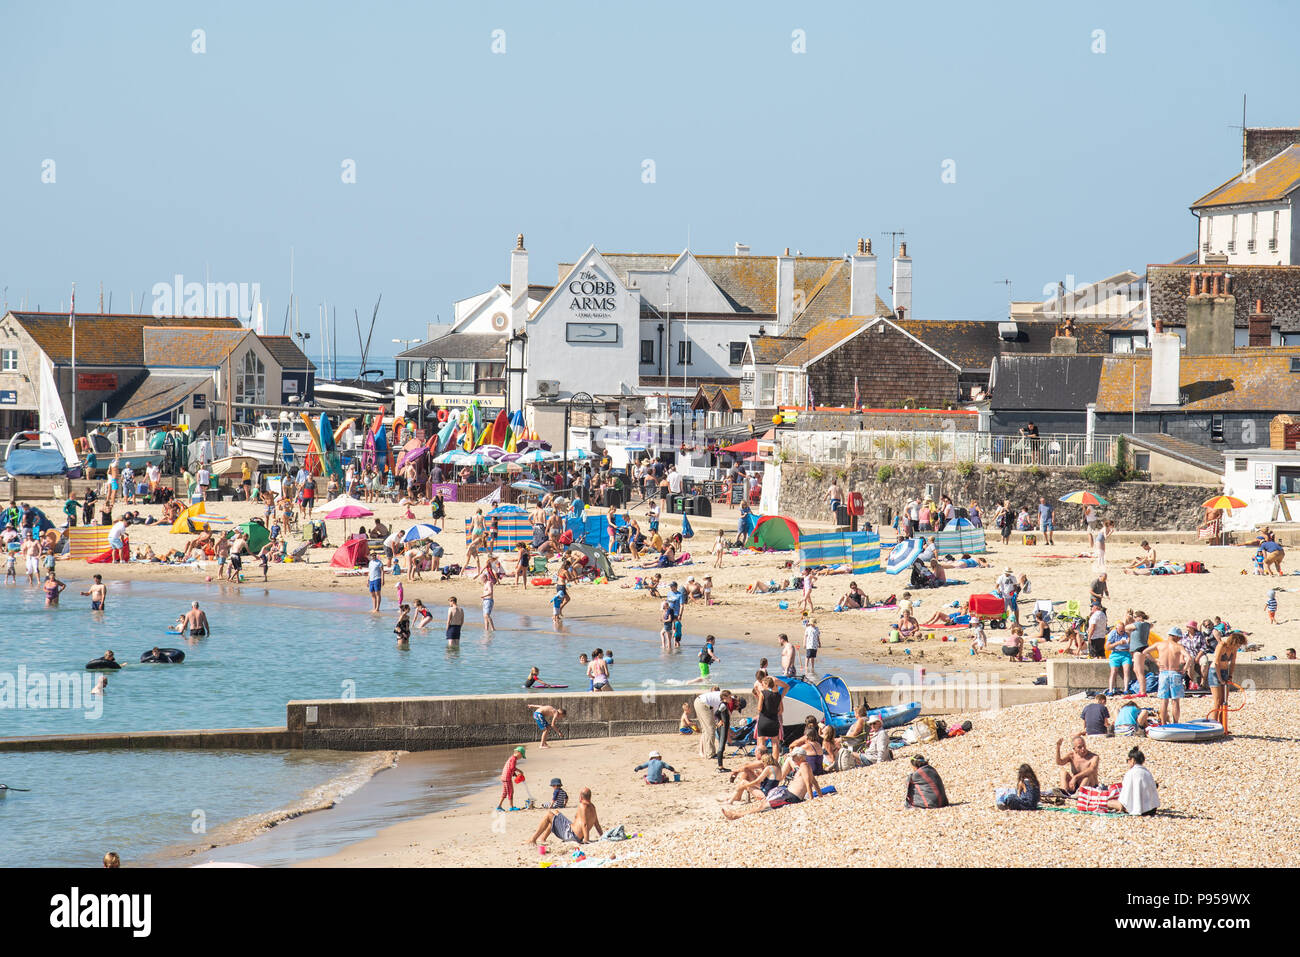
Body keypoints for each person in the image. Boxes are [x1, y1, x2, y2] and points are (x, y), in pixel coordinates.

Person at [722, 747, 823, 819]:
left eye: (794, 757)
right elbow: (814, 782)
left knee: (763, 807)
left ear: (800, 757)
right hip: (787, 793)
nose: (792, 759)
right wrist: (820, 796)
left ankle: (737, 815)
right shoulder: (805, 765)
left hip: (790, 797)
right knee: (763, 805)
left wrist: (811, 800)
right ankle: (737, 813)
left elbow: (807, 782)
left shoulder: (804, 766)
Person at [528, 786, 602, 845]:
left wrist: (586, 839)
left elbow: (584, 824)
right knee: (556, 814)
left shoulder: (582, 806)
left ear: (581, 797)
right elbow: (597, 825)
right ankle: (542, 839)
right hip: (574, 832)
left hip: (571, 834)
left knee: (549, 815)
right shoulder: (593, 807)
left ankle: (533, 839)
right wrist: (602, 837)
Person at [1106, 748, 1160, 816]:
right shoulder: (1147, 772)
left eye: (1128, 760)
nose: (1128, 762)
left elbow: (1125, 797)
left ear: (1133, 760)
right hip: (1152, 809)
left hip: (1139, 810)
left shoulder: (1131, 773)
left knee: (1108, 802)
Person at [1208, 631, 1246, 727]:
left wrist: (1230, 675)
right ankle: (1213, 725)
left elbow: (1232, 663)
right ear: (1234, 642)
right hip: (1214, 672)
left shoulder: (1233, 649)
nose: (1239, 647)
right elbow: (1216, 662)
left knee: (1224, 701)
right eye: (1238, 644)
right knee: (1217, 700)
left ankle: (1222, 725)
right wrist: (1220, 678)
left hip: (1224, 672)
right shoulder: (1222, 645)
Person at [754, 675, 787, 759]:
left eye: (763, 684)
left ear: (766, 684)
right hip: (774, 720)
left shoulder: (763, 693)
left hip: (764, 720)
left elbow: (759, 708)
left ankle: (762, 761)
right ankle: (775, 761)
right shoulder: (778, 695)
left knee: (761, 742)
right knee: (775, 743)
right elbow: (781, 710)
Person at [693, 689, 732, 760]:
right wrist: (720, 720)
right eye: (729, 697)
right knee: (710, 729)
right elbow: (717, 713)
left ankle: (707, 752)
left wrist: (719, 720)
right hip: (702, 703)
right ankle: (710, 754)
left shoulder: (721, 697)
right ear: (725, 697)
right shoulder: (720, 701)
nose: (731, 699)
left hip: (700, 702)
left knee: (706, 729)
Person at [1126, 610, 1153, 693]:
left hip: (1138, 648)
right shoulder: (1147, 625)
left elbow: (1126, 627)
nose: (1134, 618)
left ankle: (1142, 691)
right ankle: (1142, 690)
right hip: (1142, 647)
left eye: (1135, 617)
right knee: (1136, 669)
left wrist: (1127, 618)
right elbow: (1151, 625)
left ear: (1140, 617)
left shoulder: (1138, 625)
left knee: (1139, 670)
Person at [496, 746, 526, 812]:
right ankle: (511, 807)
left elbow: (510, 769)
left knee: (505, 792)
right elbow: (512, 768)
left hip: (504, 777)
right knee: (510, 791)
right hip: (507, 778)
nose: (521, 758)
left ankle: (499, 806)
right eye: (521, 756)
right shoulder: (514, 759)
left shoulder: (511, 758)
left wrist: (515, 775)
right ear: (518, 753)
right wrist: (519, 771)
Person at [1105, 626, 1132, 695]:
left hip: (1125, 654)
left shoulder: (1127, 634)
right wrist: (1118, 643)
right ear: (1117, 629)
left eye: (1123, 631)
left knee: (1126, 671)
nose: (1122, 633)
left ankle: (1126, 689)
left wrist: (1129, 640)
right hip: (1115, 653)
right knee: (1113, 671)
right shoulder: (1113, 634)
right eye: (1121, 631)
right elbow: (1107, 647)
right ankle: (1110, 690)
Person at [481, 561, 497, 634]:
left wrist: (483, 596)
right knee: (484, 616)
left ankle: (493, 629)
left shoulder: (489, 583)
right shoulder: (485, 584)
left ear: (485, 577)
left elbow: (490, 592)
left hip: (489, 600)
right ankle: (486, 630)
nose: (481, 580)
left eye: (482, 578)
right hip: (485, 600)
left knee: (487, 615)